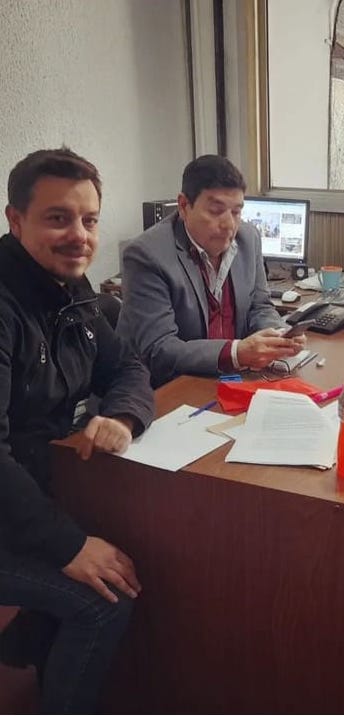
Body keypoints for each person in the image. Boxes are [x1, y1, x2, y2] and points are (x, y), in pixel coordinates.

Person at [0, 148, 154, 712]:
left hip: (32, 490)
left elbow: (129, 367)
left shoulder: (74, 293)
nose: (80, 236)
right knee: (104, 598)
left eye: (89, 220)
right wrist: (68, 546)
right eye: (58, 218)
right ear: (16, 220)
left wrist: (122, 416)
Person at [117, 154, 305, 387]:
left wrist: (278, 335)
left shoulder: (249, 238)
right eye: (216, 211)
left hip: (228, 380)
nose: (229, 225)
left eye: (236, 212)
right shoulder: (147, 255)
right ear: (184, 206)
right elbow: (159, 349)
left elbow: (259, 306)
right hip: (165, 388)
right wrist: (236, 352)